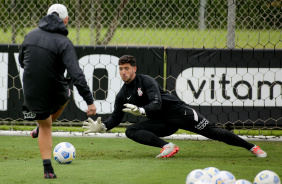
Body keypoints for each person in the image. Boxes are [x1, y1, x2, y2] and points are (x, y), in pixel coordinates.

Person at [82, 55, 267, 159]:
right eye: (121, 69)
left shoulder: (146, 81)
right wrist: (104, 126)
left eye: (127, 68)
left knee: (214, 133)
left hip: (179, 113)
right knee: (131, 130)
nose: (123, 72)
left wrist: (142, 111)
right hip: (163, 123)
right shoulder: (123, 94)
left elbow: (157, 103)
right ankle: (168, 147)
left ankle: (252, 147)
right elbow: (116, 116)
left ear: (134, 69)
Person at [19, 4, 96, 179]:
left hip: (30, 91)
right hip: (55, 91)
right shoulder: (64, 42)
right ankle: (42, 125)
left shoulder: (29, 36)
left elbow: (21, 61)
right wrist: (89, 101)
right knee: (65, 95)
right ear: (66, 20)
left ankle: (48, 170)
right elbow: (76, 74)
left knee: (44, 125)